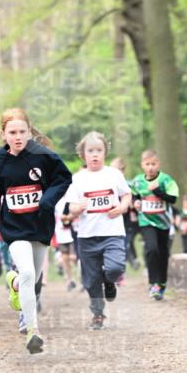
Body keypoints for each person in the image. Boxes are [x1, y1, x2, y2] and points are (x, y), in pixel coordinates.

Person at [0, 107, 71, 353]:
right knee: (27, 271)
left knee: (32, 278)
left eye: (22, 132)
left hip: (40, 225)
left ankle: (14, 284)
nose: (17, 137)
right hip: (14, 228)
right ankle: (33, 331)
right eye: (12, 132)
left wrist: (47, 200)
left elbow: (64, 178)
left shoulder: (43, 156)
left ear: (29, 132)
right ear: (3, 134)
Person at [66, 132, 131, 329]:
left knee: (115, 268)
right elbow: (71, 208)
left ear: (105, 153)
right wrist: (79, 207)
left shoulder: (114, 174)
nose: (95, 155)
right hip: (87, 236)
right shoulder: (77, 179)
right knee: (91, 280)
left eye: (99, 151)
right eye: (90, 151)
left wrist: (122, 207)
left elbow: (127, 195)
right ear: (83, 154)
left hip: (112, 232)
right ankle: (97, 314)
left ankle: (110, 281)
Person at [130, 150, 179, 300]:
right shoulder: (138, 181)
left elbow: (172, 199)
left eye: (153, 164)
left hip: (163, 223)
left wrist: (157, 191)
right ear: (142, 165)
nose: (150, 167)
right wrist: (135, 202)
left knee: (163, 253)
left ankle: (162, 283)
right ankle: (153, 284)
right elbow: (134, 195)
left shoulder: (166, 180)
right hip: (146, 221)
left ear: (159, 164)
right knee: (152, 249)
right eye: (147, 164)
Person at [54, 194, 77, 290]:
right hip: (61, 234)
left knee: (73, 257)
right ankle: (69, 280)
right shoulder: (56, 201)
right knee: (65, 258)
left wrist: (68, 218)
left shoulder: (72, 199)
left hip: (72, 233)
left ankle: (81, 278)